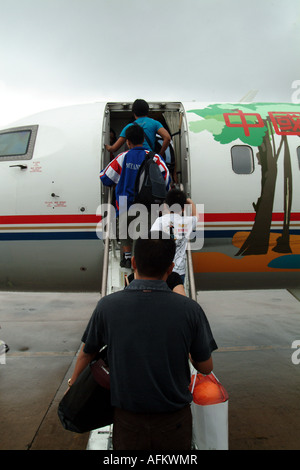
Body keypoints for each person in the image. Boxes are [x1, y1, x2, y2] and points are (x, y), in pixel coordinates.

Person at [67, 233, 217, 451]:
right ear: (171, 267)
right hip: (173, 422)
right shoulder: (190, 310)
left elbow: (87, 353)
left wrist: (72, 385)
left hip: (128, 422)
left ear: (134, 263)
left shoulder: (108, 306)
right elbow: (206, 367)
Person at [100, 124, 170, 268]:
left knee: (125, 230)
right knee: (144, 234)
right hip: (148, 205)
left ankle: (126, 257)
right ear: (143, 138)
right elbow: (166, 179)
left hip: (125, 204)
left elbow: (105, 177)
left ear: (128, 142)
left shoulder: (123, 157)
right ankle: (140, 261)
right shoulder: (155, 157)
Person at [151, 189, 197, 283]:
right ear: (184, 208)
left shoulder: (159, 221)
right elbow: (196, 216)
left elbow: (151, 240)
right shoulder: (187, 222)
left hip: (162, 270)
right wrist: (190, 202)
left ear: (165, 206)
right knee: (177, 295)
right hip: (179, 272)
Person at [105, 99, 171, 158]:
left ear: (134, 112)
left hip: (134, 158)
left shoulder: (128, 127)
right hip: (149, 157)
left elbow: (113, 149)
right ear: (147, 111)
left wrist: (106, 146)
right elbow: (167, 138)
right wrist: (160, 154)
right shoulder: (155, 123)